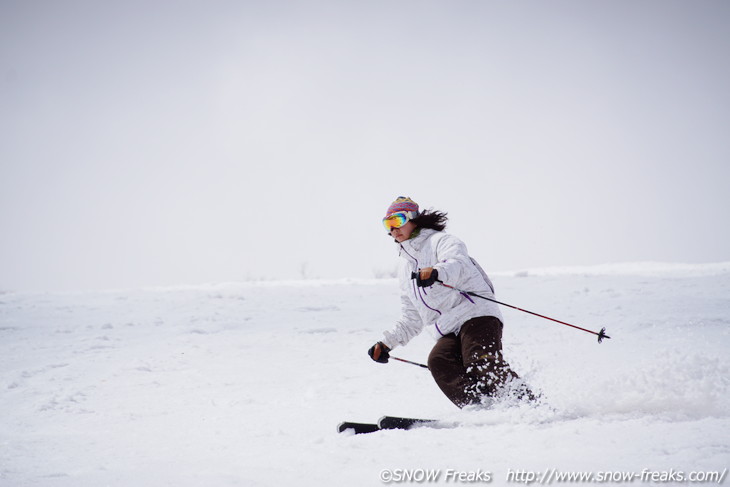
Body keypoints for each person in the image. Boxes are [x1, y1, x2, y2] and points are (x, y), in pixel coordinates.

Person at [368, 196, 533, 408]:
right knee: (439, 361)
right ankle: (480, 408)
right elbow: (412, 316)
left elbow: (458, 264)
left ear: (414, 219)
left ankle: (527, 404)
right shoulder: (405, 269)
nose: (393, 229)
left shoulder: (441, 241)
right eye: (387, 224)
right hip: (447, 326)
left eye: (398, 221)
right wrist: (387, 343)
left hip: (476, 313)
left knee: (479, 360)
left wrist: (437, 272)